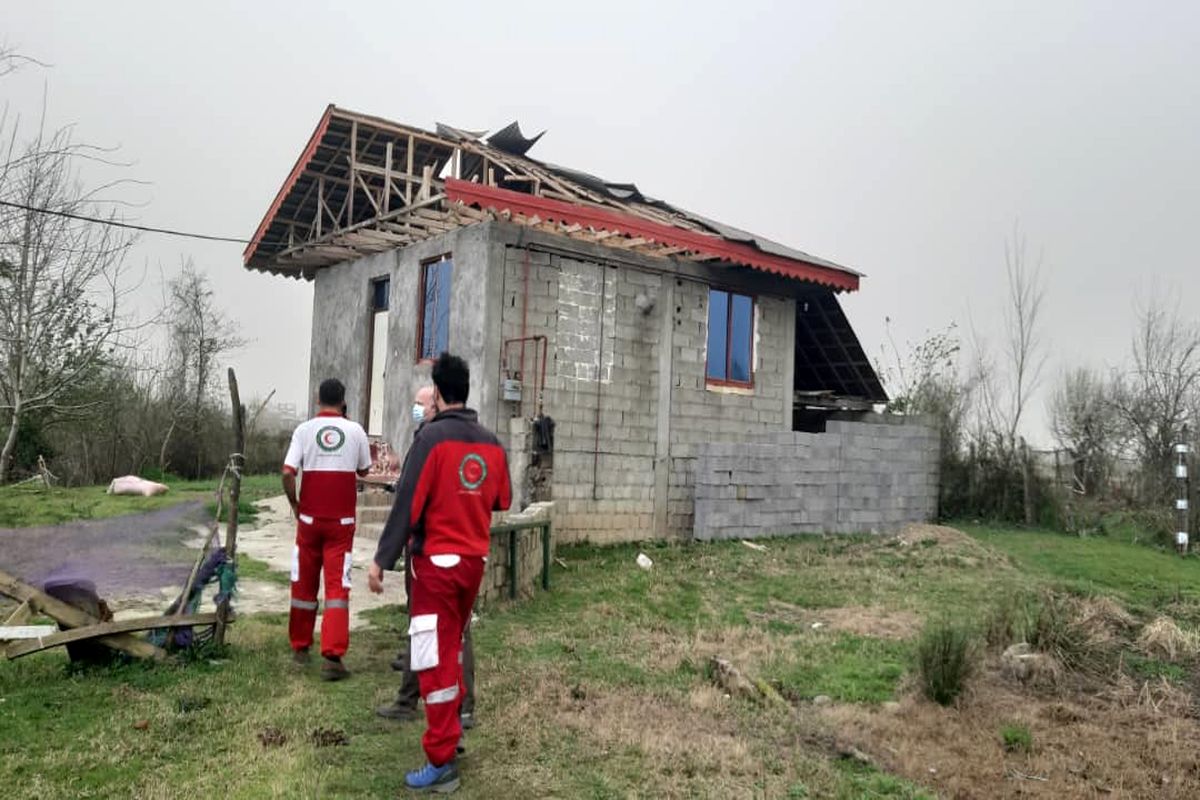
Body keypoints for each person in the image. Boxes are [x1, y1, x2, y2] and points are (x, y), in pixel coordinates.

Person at [369, 353, 511, 794]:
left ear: (440, 391)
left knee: (431, 658)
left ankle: (441, 758)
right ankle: (451, 732)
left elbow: (407, 505)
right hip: (473, 565)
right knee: (450, 649)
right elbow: (502, 499)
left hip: (436, 567)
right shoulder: (491, 442)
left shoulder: (431, 439)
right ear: (465, 389)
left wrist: (380, 560)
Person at [376, 386, 479, 729]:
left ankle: (413, 699)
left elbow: (412, 500)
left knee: (424, 624)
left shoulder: (432, 441)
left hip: (432, 551)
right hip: (463, 551)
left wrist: (383, 557)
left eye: (420, 404)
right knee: (452, 629)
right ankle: (459, 708)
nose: (415, 409)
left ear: (436, 405)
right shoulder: (463, 440)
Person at [282, 378, 371, 681]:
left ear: (317, 399)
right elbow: (364, 470)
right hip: (341, 524)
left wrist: (295, 503)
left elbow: (287, 472)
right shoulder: (356, 430)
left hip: (308, 522)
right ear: (343, 401)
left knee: (303, 585)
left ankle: (299, 648)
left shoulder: (303, 431)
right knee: (337, 588)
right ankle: (333, 657)